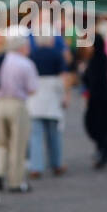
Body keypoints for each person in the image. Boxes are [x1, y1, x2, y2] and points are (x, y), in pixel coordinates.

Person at [0, 32, 39, 193]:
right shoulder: (25, 64)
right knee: (18, 144)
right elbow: (32, 89)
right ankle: (15, 181)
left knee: (2, 142)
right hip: (17, 104)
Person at [26, 34, 70, 177]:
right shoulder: (57, 54)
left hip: (35, 99)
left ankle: (36, 167)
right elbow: (64, 75)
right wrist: (66, 95)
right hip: (52, 97)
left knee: (36, 135)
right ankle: (56, 164)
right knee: (54, 134)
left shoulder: (32, 54)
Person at [82, 33, 107, 169]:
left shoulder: (96, 60)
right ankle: (105, 151)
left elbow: (91, 79)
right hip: (103, 97)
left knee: (96, 125)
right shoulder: (103, 58)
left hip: (97, 98)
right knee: (102, 126)